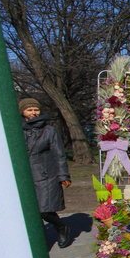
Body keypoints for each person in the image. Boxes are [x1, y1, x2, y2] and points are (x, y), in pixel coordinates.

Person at [20, 97, 73, 248]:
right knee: (31, 211)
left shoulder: (49, 131)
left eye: (36, 109)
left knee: (44, 210)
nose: (33, 113)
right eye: (29, 110)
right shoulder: (17, 131)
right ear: (22, 112)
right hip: (26, 176)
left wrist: (63, 175)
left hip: (46, 175)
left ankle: (61, 227)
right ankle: (38, 242)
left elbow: (59, 154)